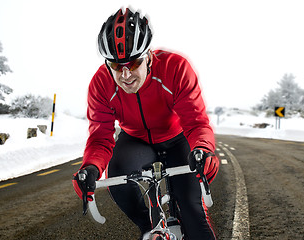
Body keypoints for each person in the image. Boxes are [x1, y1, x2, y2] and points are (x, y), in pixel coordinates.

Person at [72, 7, 219, 240]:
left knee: (194, 216)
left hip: (177, 137)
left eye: (133, 63)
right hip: (135, 140)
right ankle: (149, 228)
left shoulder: (176, 68)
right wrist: (90, 168)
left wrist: (203, 149)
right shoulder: (100, 84)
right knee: (118, 179)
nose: (126, 75)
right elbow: (101, 136)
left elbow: (196, 122)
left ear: (149, 56)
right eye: (116, 66)